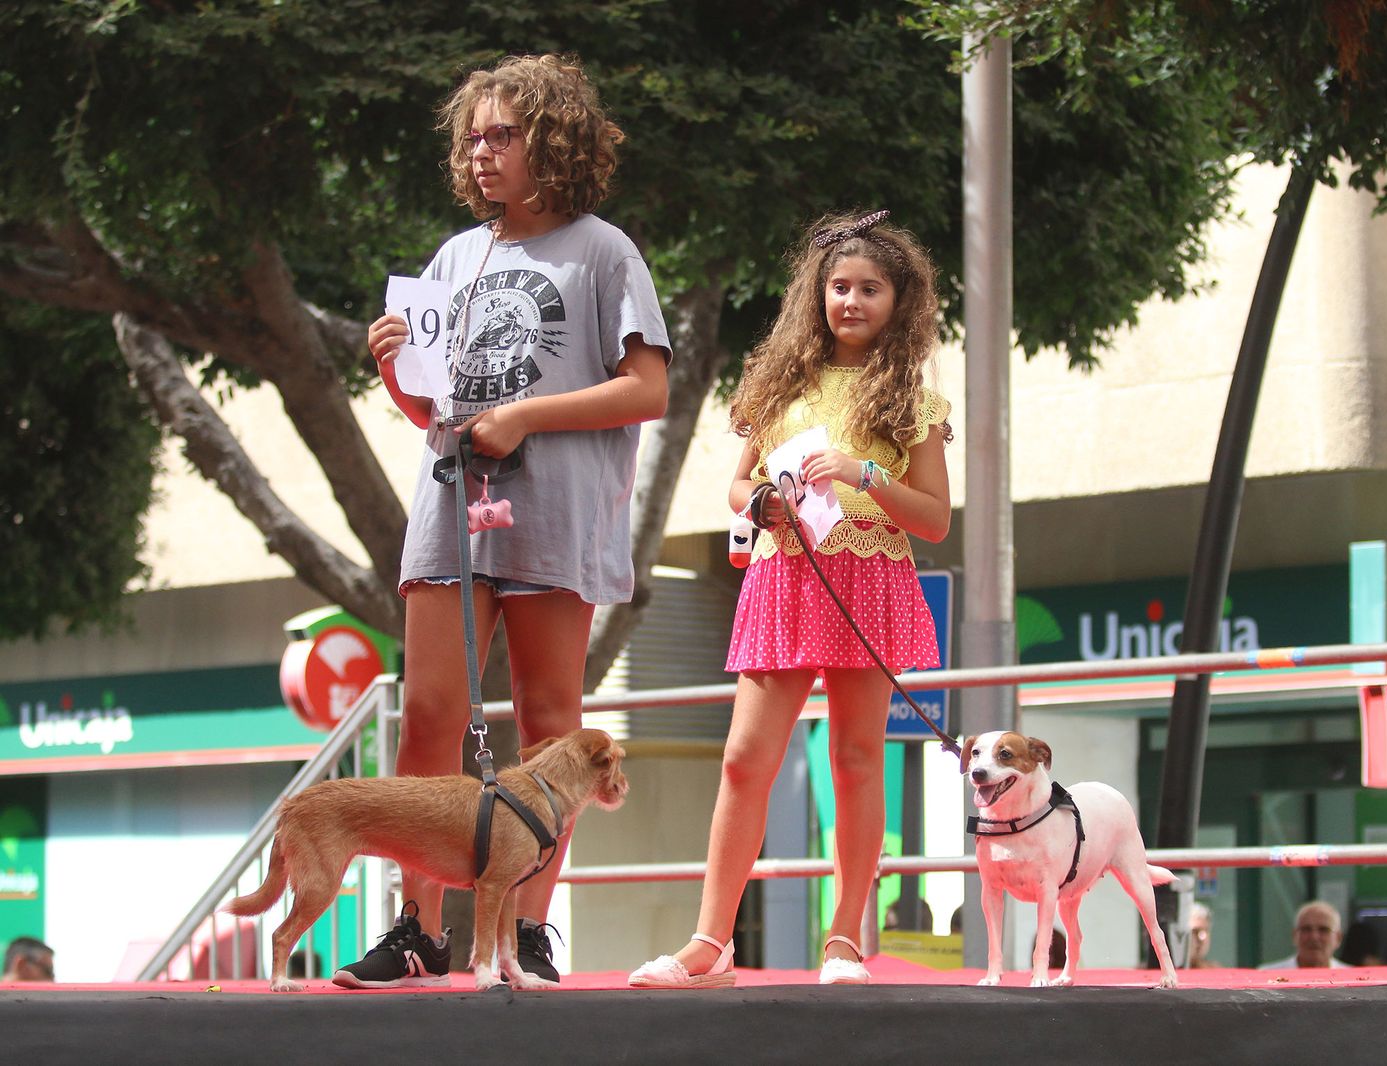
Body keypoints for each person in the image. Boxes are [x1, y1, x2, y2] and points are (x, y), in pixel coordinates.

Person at [338, 53, 671, 989]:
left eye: (504, 136)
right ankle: (417, 929)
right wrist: (394, 372)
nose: (483, 154)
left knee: (550, 724)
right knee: (429, 717)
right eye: (473, 137)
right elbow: (441, 412)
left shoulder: (605, 250)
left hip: (557, 510)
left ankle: (525, 931)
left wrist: (525, 416)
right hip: (455, 506)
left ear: (552, 139)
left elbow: (648, 388)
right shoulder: (458, 256)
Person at [629, 210, 951, 988]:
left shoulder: (912, 396)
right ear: (817, 292)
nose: (851, 301)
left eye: (870, 289)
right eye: (839, 286)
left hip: (870, 577)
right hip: (785, 571)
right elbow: (737, 484)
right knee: (743, 760)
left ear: (899, 301)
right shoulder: (777, 379)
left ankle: (844, 939)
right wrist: (762, 502)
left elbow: (935, 519)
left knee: (856, 760)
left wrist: (863, 474)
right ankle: (711, 942)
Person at [1258, 900, 1351, 969]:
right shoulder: (1267, 975)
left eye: (1323, 930)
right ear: (1294, 935)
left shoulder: (1353, 980)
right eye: (1306, 929)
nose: (1314, 937)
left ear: (1338, 938)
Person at [1187, 902, 1218, 968]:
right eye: (1195, 931)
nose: (1202, 937)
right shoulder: (1164, 972)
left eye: (1206, 931)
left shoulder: (1214, 971)